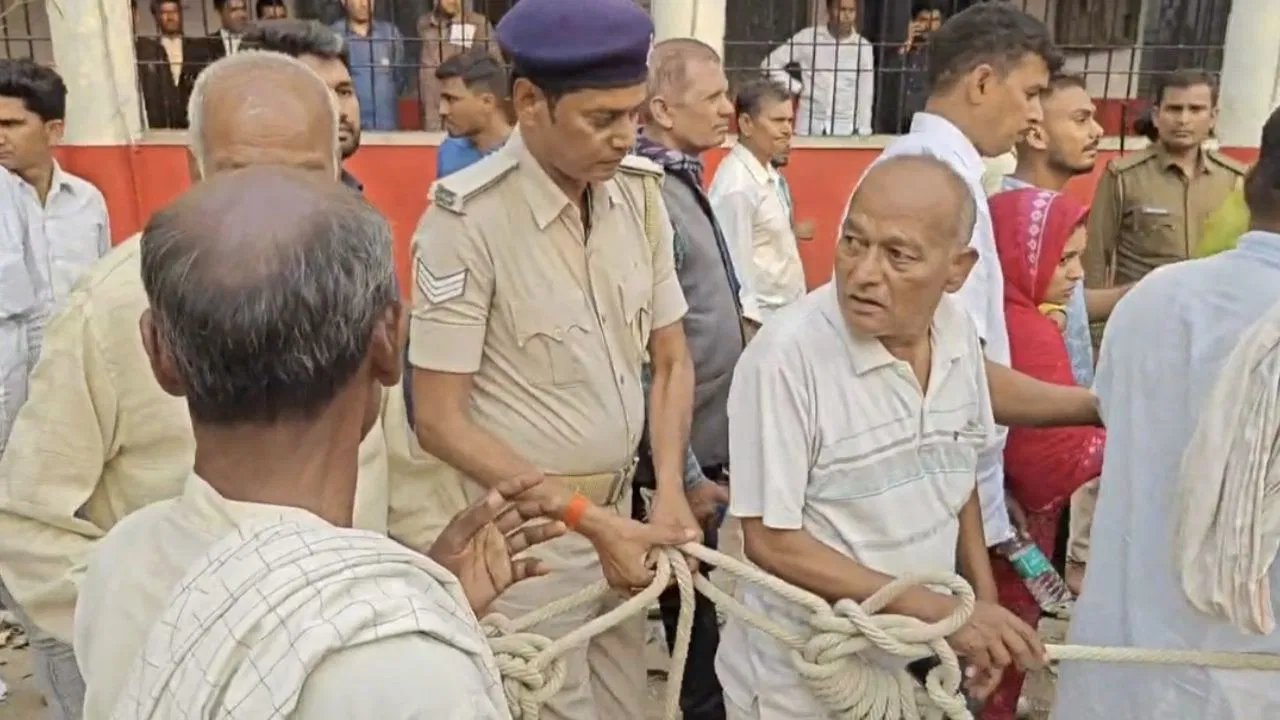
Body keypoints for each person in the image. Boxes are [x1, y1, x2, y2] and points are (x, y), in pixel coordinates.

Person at [77, 166, 566, 720]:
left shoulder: (121, 561)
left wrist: (425, 599)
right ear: (388, 341)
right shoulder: (415, 671)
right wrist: (406, 618)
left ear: (158, 352)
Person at [0, 51, 395, 720]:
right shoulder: (112, 307)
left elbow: (393, 468)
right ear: (194, 170)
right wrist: (168, 631)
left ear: (337, 167)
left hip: (346, 652)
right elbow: (27, 521)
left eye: (303, 176)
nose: (270, 204)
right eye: (240, 175)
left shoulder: (359, 283)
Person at [403, 0, 702, 717]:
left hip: (626, 523)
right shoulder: (465, 223)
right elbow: (439, 420)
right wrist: (590, 523)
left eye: (634, 114)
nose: (625, 135)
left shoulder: (639, 199)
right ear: (531, 102)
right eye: (602, 118)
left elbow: (670, 359)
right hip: (528, 549)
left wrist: (668, 493)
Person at [717, 155, 1046, 720]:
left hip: (914, 660)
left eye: (898, 255)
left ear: (957, 269)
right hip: (804, 679)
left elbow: (958, 475)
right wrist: (942, 614)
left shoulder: (957, 333)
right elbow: (771, 542)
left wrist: (980, 609)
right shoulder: (785, 359)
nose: (864, 273)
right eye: (853, 242)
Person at [1052, 105, 1280, 720]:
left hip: (1121, 670)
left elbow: (1115, 418)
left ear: (1250, 184)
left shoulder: (1155, 297)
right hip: (1248, 685)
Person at [863, 3, 1099, 560]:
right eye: (1032, 93)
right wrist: (1102, 407)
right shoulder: (933, 181)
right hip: (927, 496)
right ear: (983, 82)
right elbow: (954, 375)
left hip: (954, 484)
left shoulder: (950, 171)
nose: (1035, 116)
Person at [634, 37, 741, 720]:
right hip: (675, 463)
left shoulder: (681, 182)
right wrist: (687, 475)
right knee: (690, 620)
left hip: (700, 448)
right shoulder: (648, 196)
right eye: (715, 96)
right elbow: (650, 354)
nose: (729, 107)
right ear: (664, 109)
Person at [999, 72, 1123, 592]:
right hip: (1022, 464)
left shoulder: (1057, 225)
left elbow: (1070, 310)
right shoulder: (1011, 226)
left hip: (1059, 446)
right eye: (1080, 119)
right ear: (1035, 132)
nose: (1097, 131)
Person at [985, 188, 1105, 719]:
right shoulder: (1026, 329)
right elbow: (1048, 458)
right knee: (999, 649)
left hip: (992, 518)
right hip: (1012, 526)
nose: (1077, 273)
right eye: (1064, 259)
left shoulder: (1005, 315)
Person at [0, 59, 111, 450]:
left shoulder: (87, 202)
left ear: (54, 131)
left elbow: (102, 293)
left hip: (75, 388)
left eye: (11, 124)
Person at [1083, 68, 1247, 289]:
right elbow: (1095, 256)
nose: (1183, 120)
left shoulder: (1235, 180)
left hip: (1212, 305)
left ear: (1213, 117)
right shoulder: (1124, 177)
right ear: (1155, 115)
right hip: (1145, 305)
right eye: (1174, 109)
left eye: (1196, 109)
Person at [709, 77, 805, 337]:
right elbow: (733, 267)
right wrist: (750, 332)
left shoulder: (768, 174)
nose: (787, 130)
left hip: (785, 317)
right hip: (761, 325)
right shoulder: (737, 187)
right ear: (746, 124)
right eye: (777, 121)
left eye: (790, 121)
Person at [239, 19, 366, 192]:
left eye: (344, 92)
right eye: (316, 93)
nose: (337, 110)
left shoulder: (353, 201)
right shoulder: (250, 203)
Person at [761, 0, 874, 136]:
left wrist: (864, 130)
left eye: (851, 11)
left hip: (845, 127)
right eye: (842, 10)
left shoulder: (863, 47)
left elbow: (865, 93)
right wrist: (797, 87)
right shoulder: (808, 38)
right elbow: (769, 64)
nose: (847, 16)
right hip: (809, 123)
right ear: (829, 10)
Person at [417, 0, 500, 132]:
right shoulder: (425, 24)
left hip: (462, 103)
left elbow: (494, 64)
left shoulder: (478, 23)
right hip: (432, 104)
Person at [435, 50, 511, 179]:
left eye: (451, 99)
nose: (442, 110)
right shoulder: (449, 151)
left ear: (487, 102)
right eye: (442, 99)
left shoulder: (527, 154)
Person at [135, 0, 210, 129]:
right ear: (156, 16)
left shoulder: (198, 48)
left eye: (174, 11)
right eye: (164, 12)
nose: (170, 17)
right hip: (161, 124)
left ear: (181, 14)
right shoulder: (149, 52)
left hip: (193, 122)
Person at [331, 0, 405, 131]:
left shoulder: (390, 34)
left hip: (387, 125)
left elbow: (399, 78)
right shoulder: (334, 36)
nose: (364, 4)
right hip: (349, 127)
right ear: (343, 2)